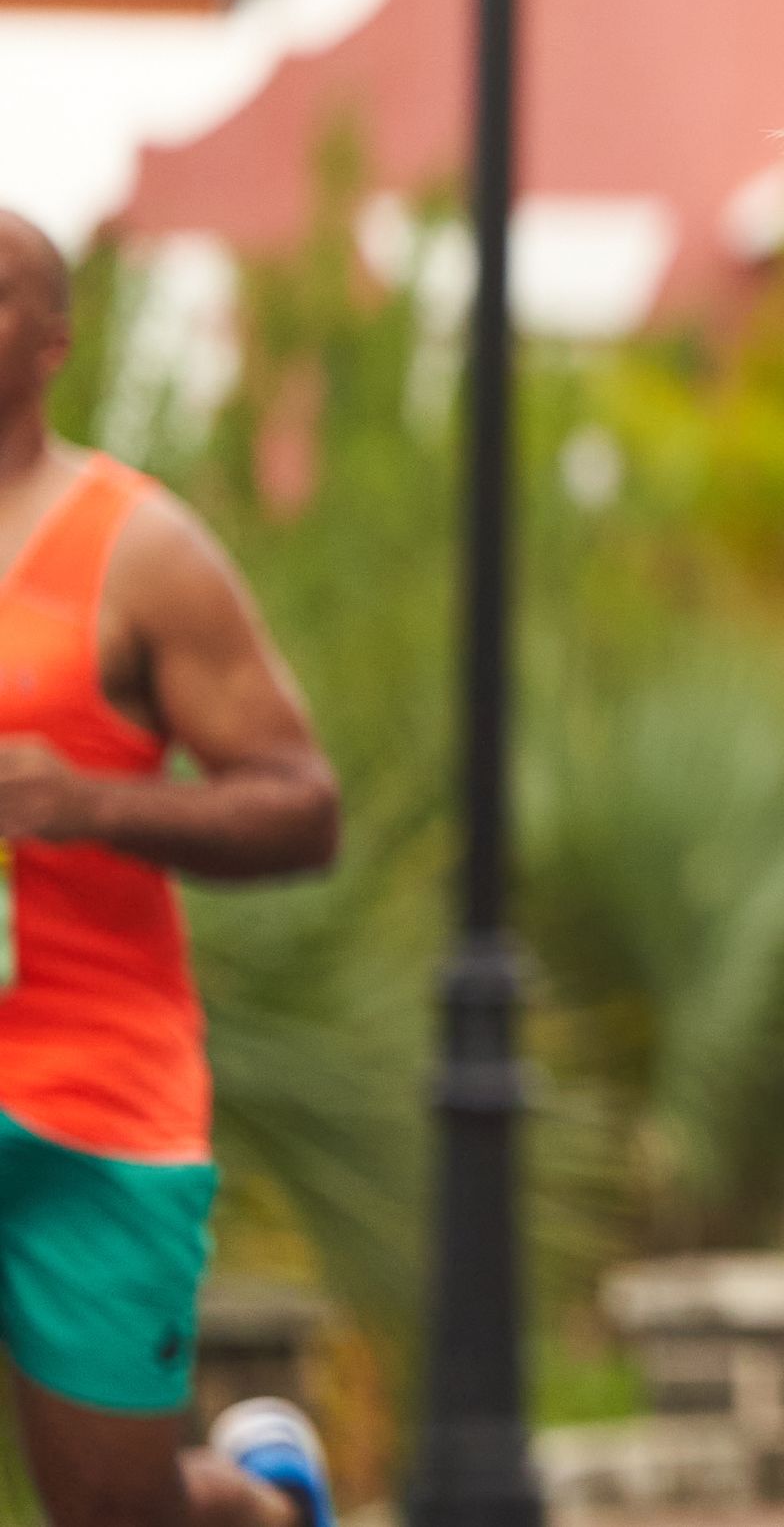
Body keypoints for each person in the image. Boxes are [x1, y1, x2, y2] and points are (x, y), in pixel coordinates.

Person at [0, 210, 345, 1527]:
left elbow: (304, 808)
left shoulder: (137, 547)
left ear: (50, 339)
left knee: (112, 1508)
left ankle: (258, 1503)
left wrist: (85, 798)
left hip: (93, 1098)